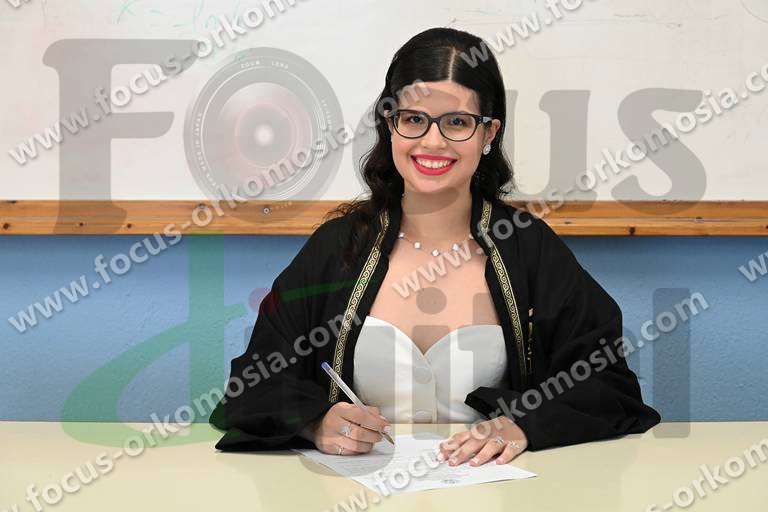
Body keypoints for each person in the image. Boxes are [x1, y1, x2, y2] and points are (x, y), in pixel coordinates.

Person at [209, 27, 661, 466]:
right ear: (390, 125)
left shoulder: (530, 249)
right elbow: (253, 386)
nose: (432, 141)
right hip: (355, 492)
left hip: (499, 491)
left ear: (489, 134)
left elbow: (608, 384)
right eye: (413, 120)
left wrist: (526, 424)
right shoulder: (337, 248)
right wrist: (314, 423)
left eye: (458, 122)